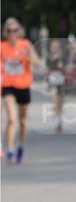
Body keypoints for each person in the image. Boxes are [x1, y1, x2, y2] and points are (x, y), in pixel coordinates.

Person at [1, 18, 43, 164]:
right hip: (7, 86)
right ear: (5, 32)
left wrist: (29, 57)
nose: (12, 33)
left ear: (19, 31)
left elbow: (38, 64)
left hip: (23, 86)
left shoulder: (25, 45)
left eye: (15, 30)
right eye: (9, 30)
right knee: (11, 118)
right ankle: (10, 150)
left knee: (23, 121)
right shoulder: (2, 47)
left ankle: (21, 145)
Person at [46, 39, 67, 133]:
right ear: (50, 48)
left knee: (60, 105)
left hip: (61, 83)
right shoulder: (48, 59)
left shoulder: (63, 58)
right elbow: (46, 72)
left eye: (57, 47)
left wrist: (62, 67)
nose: (55, 48)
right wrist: (47, 75)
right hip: (52, 83)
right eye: (53, 47)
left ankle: (59, 121)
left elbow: (68, 70)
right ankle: (56, 121)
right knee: (54, 102)